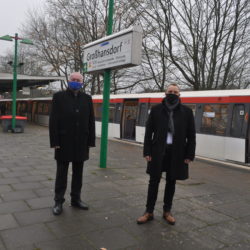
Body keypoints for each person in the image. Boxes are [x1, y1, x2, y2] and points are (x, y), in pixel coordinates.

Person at [137, 83, 196, 225]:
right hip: (157, 151)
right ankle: (149, 211)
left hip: (177, 152)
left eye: (175, 92)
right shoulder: (156, 110)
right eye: (170, 91)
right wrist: (147, 151)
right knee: (153, 182)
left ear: (179, 95)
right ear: (165, 93)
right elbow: (148, 133)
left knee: (171, 181)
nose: (172, 93)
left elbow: (191, 135)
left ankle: (167, 211)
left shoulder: (187, 112)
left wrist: (189, 155)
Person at [49, 72, 95, 215]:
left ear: (82, 82)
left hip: (81, 142)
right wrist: (54, 141)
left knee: (78, 173)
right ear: (69, 81)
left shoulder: (87, 98)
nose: (76, 82)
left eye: (78, 80)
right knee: (61, 174)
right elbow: (53, 121)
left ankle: (76, 199)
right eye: (73, 80)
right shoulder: (58, 97)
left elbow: (90, 121)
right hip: (63, 142)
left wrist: (90, 141)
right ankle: (58, 201)